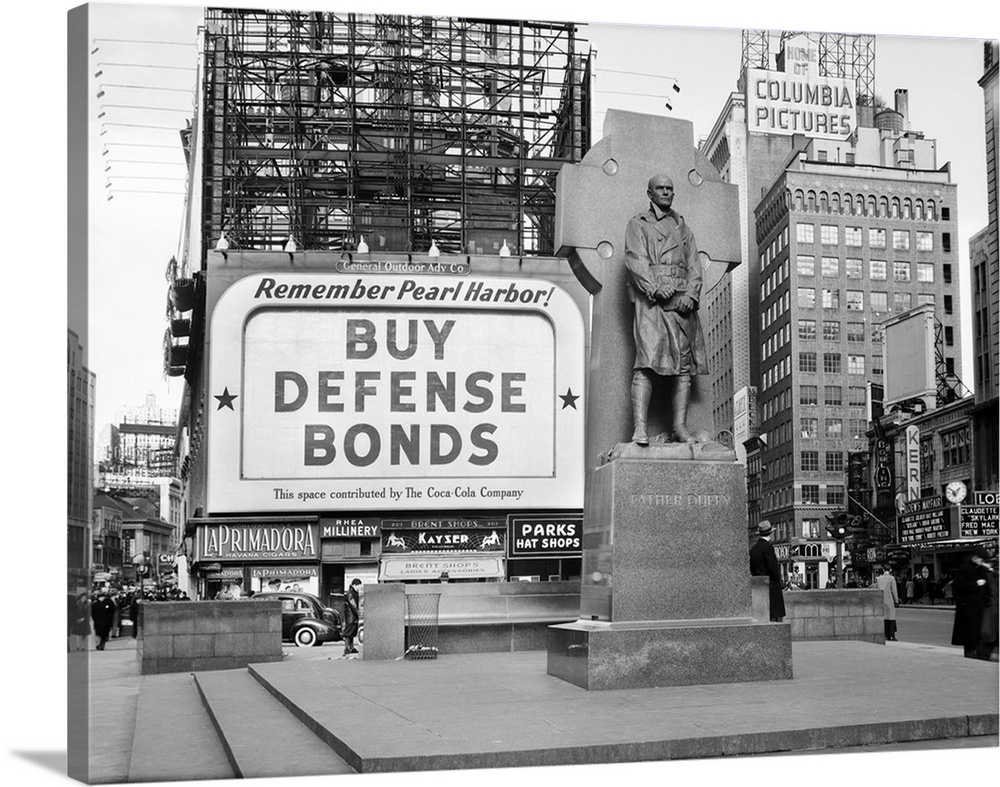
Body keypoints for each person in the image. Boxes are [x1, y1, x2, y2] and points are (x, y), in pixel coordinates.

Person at [623, 174, 709, 445]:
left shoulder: (683, 227)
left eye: (670, 189)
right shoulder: (639, 224)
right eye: (660, 189)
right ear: (649, 193)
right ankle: (639, 428)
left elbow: (695, 266)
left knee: (683, 368)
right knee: (646, 363)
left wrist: (692, 296)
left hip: (681, 304)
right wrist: (653, 287)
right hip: (652, 305)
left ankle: (680, 428)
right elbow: (635, 260)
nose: (666, 193)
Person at [951, 547, 994, 659]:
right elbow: (959, 587)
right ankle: (971, 655)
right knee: (970, 636)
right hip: (968, 609)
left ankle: (978, 654)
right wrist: (976, 584)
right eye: (981, 559)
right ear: (975, 557)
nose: (982, 561)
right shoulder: (964, 569)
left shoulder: (982, 570)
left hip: (980, 607)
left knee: (979, 634)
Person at [749, 521, 786, 623]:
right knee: (775, 615)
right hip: (771, 586)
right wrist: (778, 580)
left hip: (759, 586)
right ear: (770, 533)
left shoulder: (754, 549)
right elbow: (772, 567)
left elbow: (752, 567)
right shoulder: (768, 547)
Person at [875, 565, 900, 641]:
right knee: (891, 617)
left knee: (884, 618)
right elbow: (894, 591)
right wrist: (896, 600)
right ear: (890, 570)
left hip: (881, 600)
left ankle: (885, 635)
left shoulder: (879, 579)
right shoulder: (891, 579)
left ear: (883, 570)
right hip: (889, 600)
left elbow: (876, 589)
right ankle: (891, 635)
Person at [342, 578, 362, 656]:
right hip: (351, 617)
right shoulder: (350, 593)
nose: (359, 589)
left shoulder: (353, 592)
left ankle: (351, 648)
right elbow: (353, 605)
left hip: (353, 617)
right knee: (348, 633)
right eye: (358, 587)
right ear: (354, 585)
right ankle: (346, 649)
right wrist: (359, 614)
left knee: (352, 633)